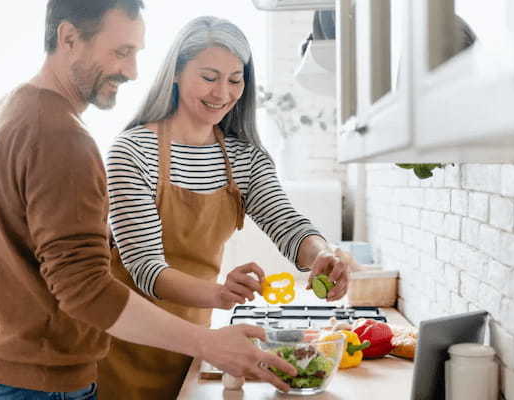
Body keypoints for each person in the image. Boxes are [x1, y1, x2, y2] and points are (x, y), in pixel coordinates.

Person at [0, 1, 297, 399]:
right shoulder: (63, 138)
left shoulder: (9, 111)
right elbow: (86, 288)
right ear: (68, 38)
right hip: (42, 384)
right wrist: (210, 343)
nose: (132, 71)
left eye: (135, 53)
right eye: (120, 52)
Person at [98, 15, 357, 399]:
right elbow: (145, 269)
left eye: (235, 79)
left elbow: (286, 223)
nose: (223, 91)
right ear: (175, 73)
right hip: (124, 348)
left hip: (198, 346)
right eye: (208, 76)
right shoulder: (132, 151)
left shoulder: (244, 158)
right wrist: (219, 293)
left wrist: (323, 254)